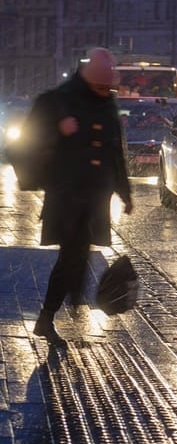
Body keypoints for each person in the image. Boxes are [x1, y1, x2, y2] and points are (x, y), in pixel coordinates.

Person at [31, 48, 132, 346]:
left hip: (93, 198)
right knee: (72, 256)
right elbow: (38, 133)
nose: (105, 92)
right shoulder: (63, 100)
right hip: (67, 199)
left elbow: (115, 151)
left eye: (107, 88)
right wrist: (59, 132)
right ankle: (50, 316)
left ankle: (63, 307)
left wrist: (125, 193)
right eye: (100, 87)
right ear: (89, 82)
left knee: (76, 255)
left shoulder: (105, 103)